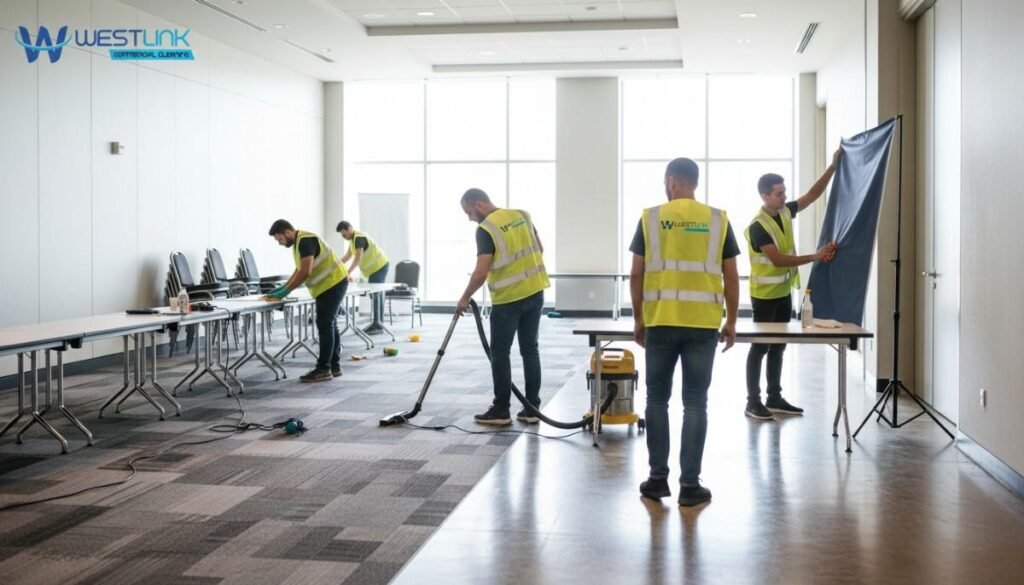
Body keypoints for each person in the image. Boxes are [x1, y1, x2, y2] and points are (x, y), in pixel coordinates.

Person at [630, 158, 740, 507]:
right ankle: (690, 485)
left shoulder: (650, 218)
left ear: (672, 181)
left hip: (661, 320)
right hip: (703, 324)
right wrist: (732, 321)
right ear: (694, 182)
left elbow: (636, 274)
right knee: (695, 402)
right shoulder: (718, 219)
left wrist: (638, 319)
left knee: (657, 400)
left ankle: (657, 479)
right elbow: (732, 276)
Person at [744, 149, 841, 420]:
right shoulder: (758, 226)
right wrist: (815, 256)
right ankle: (753, 401)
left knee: (779, 345)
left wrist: (832, 168)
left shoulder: (784, 212)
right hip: (764, 296)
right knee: (760, 346)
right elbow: (777, 260)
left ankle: (774, 397)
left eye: (785, 192)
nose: (784, 197)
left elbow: (811, 195)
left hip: (783, 293)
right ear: (765, 196)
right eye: (779, 193)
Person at [455, 188, 550, 426]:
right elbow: (540, 248)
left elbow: (481, 271)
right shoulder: (522, 215)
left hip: (508, 300)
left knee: (499, 353)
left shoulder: (486, 229)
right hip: (535, 291)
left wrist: (465, 297)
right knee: (530, 349)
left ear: (479, 204)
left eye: (469, 212)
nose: (469, 218)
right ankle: (532, 408)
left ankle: (501, 410)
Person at [266, 219, 349, 382]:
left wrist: (285, 292)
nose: (280, 243)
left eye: (280, 239)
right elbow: (299, 269)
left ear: (287, 232)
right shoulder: (299, 242)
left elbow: (305, 272)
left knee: (325, 324)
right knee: (330, 324)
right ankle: (334, 366)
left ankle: (324, 368)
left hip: (332, 283)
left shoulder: (305, 241)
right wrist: (283, 287)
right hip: (331, 283)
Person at [337, 221, 390, 334]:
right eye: (342, 235)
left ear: (350, 228)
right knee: (375, 295)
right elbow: (347, 256)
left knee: (376, 295)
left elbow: (357, 258)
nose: (343, 237)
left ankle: (378, 325)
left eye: (344, 234)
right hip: (374, 269)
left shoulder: (359, 238)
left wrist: (347, 272)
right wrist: (336, 265)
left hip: (379, 266)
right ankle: (377, 323)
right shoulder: (353, 241)